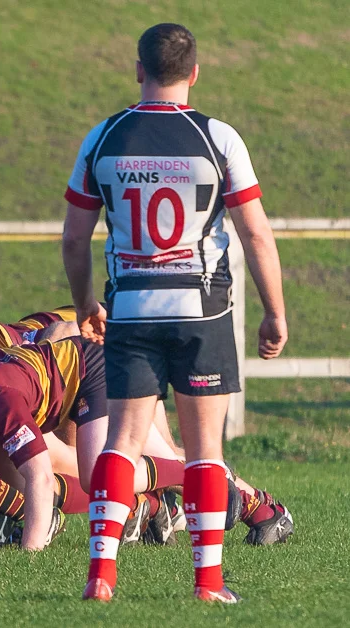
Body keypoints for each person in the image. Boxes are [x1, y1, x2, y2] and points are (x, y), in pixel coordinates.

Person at [62, 23, 287, 603]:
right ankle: (208, 584)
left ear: (139, 69)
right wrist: (274, 312)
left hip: (131, 309)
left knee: (122, 443)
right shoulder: (218, 138)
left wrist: (86, 303)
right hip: (201, 313)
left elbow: (74, 238)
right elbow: (256, 235)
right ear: (195, 73)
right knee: (205, 450)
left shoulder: (104, 137)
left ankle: (100, 575)